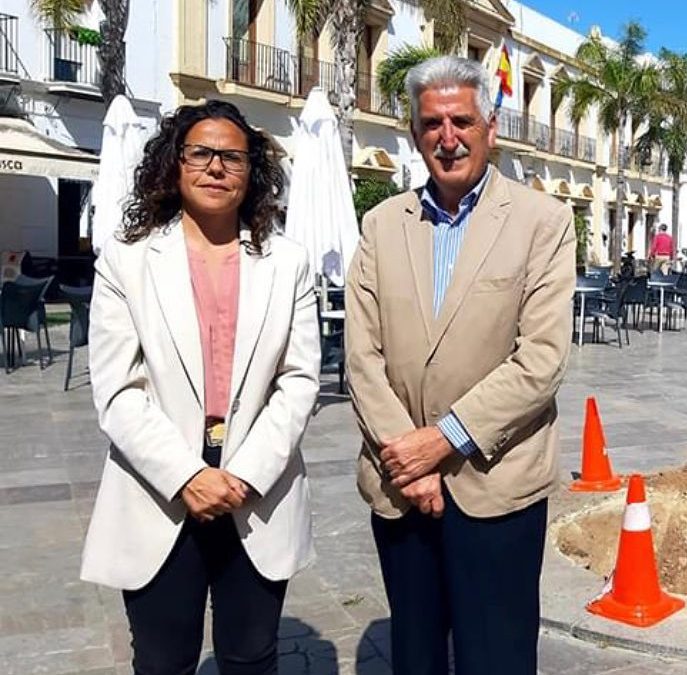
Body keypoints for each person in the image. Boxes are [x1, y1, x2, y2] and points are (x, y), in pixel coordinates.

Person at [346, 55, 575, 675]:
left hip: (494, 483)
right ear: (414, 133)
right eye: (431, 124)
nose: (448, 139)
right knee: (415, 657)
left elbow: (543, 358)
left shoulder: (542, 222)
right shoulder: (381, 225)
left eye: (461, 121)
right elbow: (361, 357)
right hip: (401, 488)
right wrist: (409, 458)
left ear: (489, 127)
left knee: (495, 658)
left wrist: (441, 441)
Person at [81, 100, 321, 674]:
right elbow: (117, 389)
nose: (216, 167)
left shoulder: (287, 263)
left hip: (257, 492)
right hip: (157, 489)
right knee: (163, 662)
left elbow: (299, 380)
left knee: (252, 657)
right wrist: (187, 475)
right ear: (175, 163)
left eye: (232, 157)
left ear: (252, 172)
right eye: (202, 153)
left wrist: (242, 475)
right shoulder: (127, 261)